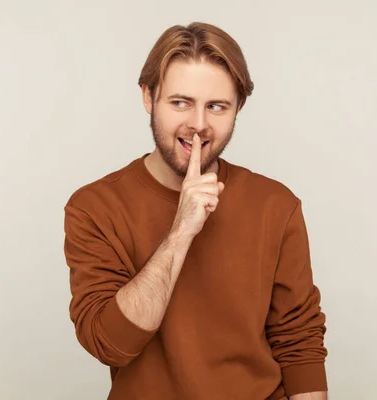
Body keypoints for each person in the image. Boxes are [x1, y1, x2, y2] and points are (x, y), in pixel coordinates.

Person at [63, 21, 328, 400]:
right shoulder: (94, 207)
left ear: (238, 108)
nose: (199, 125)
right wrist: (181, 231)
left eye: (216, 106)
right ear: (148, 97)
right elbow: (109, 343)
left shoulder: (276, 205)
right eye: (180, 102)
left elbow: (299, 343)